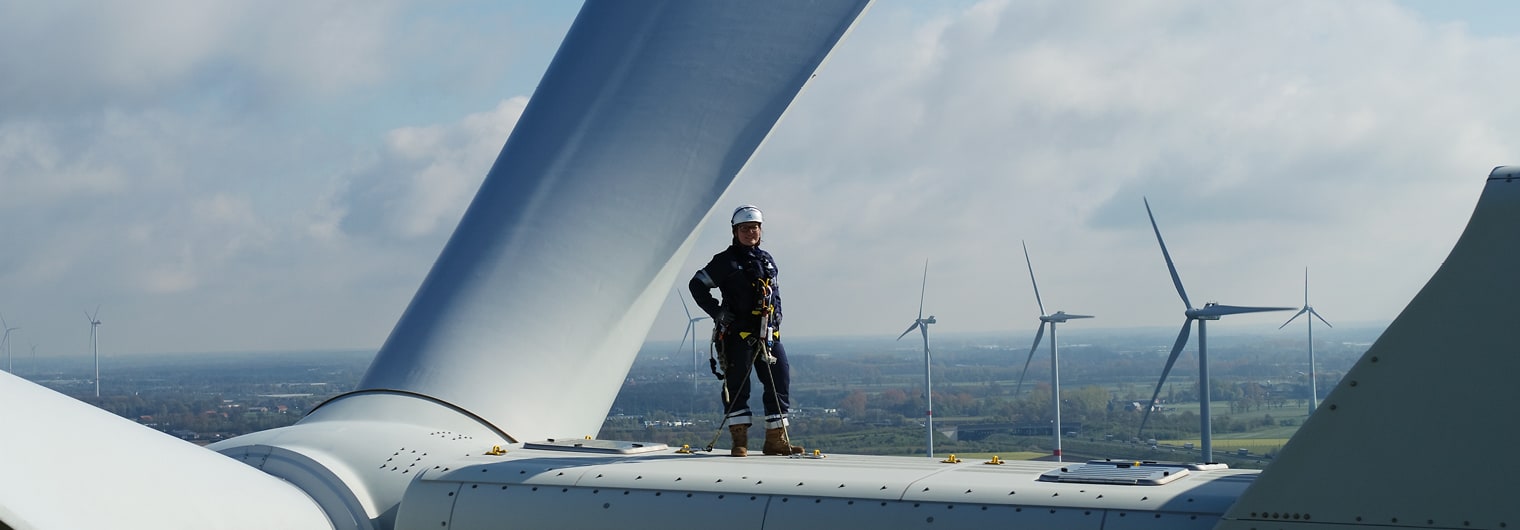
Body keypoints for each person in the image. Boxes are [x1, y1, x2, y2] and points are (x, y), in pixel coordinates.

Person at [689, 205, 802, 457]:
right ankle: (739, 441)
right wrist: (716, 311)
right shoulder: (725, 262)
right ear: (735, 231)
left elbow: (775, 292)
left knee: (779, 382)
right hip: (738, 335)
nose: (751, 232)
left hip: (768, 334)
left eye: (755, 228)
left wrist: (778, 316)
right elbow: (697, 284)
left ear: (761, 231)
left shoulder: (767, 260)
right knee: (737, 385)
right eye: (745, 228)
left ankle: (776, 441)